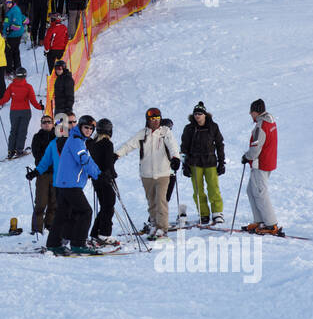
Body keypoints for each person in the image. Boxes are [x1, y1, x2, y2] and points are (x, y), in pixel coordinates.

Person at [34, 115, 100, 255]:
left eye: (91, 128)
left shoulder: (78, 140)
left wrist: (98, 172)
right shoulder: (76, 141)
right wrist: (98, 175)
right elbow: (83, 160)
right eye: (86, 127)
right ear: (80, 127)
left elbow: (87, 159)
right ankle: (78, 244)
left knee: (62, 214)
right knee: (85, 211)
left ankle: (53, 243)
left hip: (64, 183)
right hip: (70, 184)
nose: (88, 131)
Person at [115, 106, 180, 239]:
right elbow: (129, 145)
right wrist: (116, 155)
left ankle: (162, 228)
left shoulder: (165, 132)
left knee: (161, 201)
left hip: (163, 173)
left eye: (157, 119)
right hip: (146, 175)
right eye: (152, 119)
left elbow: (173, 146)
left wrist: (175, 158)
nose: (155, 121)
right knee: (151, 203)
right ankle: (154, 226)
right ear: (147, 120)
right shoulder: (143, 134)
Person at [179, 102, 225, 225]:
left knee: (213, 188)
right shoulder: (189, 128)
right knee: (198, 190)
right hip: (194, 163)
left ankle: (217, 213)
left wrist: (221, 162)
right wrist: (185, 165)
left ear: (205, 115)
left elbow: (220, 145)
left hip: (210, 162)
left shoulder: (213, 127)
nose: (197, 116)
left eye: (200, 114)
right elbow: (184, 147)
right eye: (195, 114)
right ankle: (203, 214)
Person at [241, 99, 279, 234]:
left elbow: (256, 148)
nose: (251, 115)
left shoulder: (261, 126)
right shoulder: (271, 122)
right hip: (267, 162)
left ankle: (271, 224)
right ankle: (260, 220)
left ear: (256, 112)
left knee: (260, 193)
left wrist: (247, 156)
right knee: (251, 191)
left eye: (251, 112)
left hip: (261, 164)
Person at [0, 67, 43, 158]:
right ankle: (19, 150)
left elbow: (5, 98)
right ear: (25, 76)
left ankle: (10, 151)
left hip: (14, 112)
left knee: (13, 130)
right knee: (22, 131)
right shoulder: (28, 87)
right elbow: (33, 101)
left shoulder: (11, 86)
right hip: (25, 112)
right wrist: (40, 107)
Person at [87, 119, 119, 247]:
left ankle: (96, 233)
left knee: (104, 206)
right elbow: (107, 163)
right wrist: (113, 174)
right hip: (106, 178)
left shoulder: (92, 143)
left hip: (96, 179)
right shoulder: (107, 143)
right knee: (109, 205)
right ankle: (104, 234)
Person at [29, 113, 57, 235]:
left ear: (53, 124)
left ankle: (50, 225)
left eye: (48, 122)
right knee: (41, 202)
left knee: (54, 202)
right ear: (41, 124)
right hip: (43, 174)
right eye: (44, 122)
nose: (46, 124)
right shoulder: (37, 137)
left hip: (56, 174)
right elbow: (37, 154)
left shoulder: (58, 136)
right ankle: (36, 229)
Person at [1, 0, 25, 72]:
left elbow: (17, 25)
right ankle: (17, 68)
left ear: (13, 2)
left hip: (14, 35)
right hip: (13, 35)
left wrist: (9, 30)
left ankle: (9, 70)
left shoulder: (15, 10)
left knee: (9, 52)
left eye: (9, 2)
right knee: (14, 51)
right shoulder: (12, 9)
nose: (7, 4)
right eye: (6, 2)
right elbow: (22, 18)